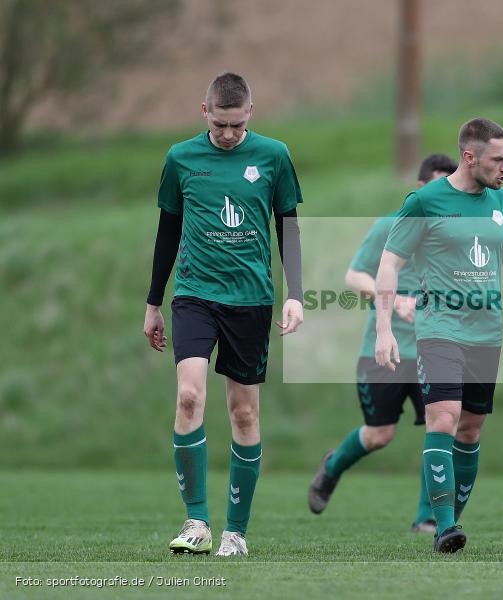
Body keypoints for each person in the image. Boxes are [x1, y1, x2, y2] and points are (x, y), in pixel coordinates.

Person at [143, 72, 304, 557]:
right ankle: (197, 522)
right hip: (195, 295)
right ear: (205, 112)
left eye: (237, 125)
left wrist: (296, 293)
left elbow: (289, 226)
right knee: (189, 396)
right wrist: (153, 302)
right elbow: (168, 230)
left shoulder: (274, 156)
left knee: (244, 411)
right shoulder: (181, 158)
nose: (229, 134)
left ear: (250, 112)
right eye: (220, 125)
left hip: (250, 300)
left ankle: (236, 532)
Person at [374, 119, 503, 553]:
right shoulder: (425, 201)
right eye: (498, 160)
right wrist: (384, 329)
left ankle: (450, 521)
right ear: (469, 157)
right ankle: (443, 526)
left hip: (487, 334)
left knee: (470, 429)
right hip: (439, 328)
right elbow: (390, 263)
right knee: (444, 418)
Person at [307, 154, 458, 534]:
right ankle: (332, 467)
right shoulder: (391, 225)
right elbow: (354, 276)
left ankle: (427, 518)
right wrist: (391, 300)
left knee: (441, 429)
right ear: (420, 188)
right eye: (438, 187)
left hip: (435, 350)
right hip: (385, 351)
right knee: (380, 435)